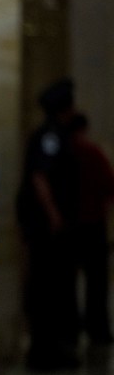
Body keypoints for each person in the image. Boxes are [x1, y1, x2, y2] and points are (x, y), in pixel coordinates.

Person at [16, 79, 81, 370]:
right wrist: (54, 215)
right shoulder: (50, 136)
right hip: (47, 229)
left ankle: (55, 347)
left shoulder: (55, 134)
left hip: (51, 226)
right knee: (48, 287)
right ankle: (45, 350)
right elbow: (40, 177)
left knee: (56, 286)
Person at [70, 112, 114, 345]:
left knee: (67, 283)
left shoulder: (67, 153)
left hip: (70, 227)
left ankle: (71, 328)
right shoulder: (91, 153)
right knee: (96, 283)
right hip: (91, 225)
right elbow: (110, 186)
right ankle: (97, 329)